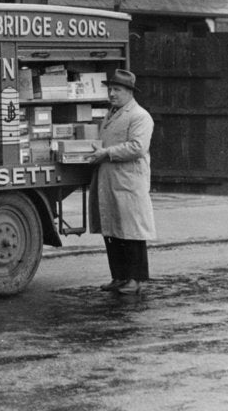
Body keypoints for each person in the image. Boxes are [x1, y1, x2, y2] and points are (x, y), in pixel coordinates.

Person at [85, 68, 156, 295]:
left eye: (117, 90)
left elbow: (137, 147)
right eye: (110, 89)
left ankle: (135, 280)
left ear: (129, 92)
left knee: (131, 232)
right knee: (113, 229)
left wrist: (106, 153)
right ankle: (119, 276)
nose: (112, 94)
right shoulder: (112, 113)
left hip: (128, 182)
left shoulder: (139, 116)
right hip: (111, 180)